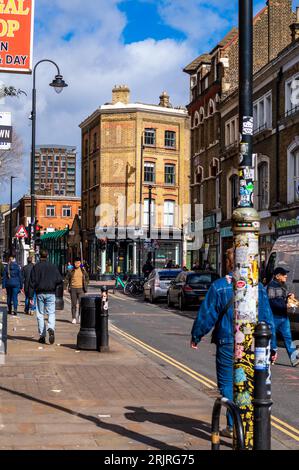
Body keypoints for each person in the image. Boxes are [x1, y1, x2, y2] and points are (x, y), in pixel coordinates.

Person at [190, 248, 277, 438]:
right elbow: (267, 318)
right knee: (252, 383)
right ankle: (249, 425)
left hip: (227, 342)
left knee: (228, 384)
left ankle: (233, 426)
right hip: (255, 343)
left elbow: (207, 314)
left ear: (229, 264)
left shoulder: (219, 286)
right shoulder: (257, 287)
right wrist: (273, 346)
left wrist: (196, 335)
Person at [29, 249, 63, 345]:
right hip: (51, 293)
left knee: (40, 314)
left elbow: (32, 282)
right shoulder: (53, 266)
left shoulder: (36, 267)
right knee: (51, 313)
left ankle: (42, 336)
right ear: (47, 256)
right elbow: (59, 280)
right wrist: (54, 286)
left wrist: (31, 296)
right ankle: (51, 328)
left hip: (40, 293)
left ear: (39, 256)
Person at [267, 267, 299, 367]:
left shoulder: (283, 285)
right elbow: (271, 301)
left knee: (288, 338)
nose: (286, 275)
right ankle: (270, 357)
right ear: (278, 276)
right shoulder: (271, 286)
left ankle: (294, 360)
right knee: (272, 339)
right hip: (274, 317)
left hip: (284, 317)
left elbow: (283, 298)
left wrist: (289, 296)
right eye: (283, 274)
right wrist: (285, 305)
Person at [65, 257, 89, 324]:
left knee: (82, 304)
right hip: (73, 289)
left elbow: (87, 278)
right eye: (75, 263)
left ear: (80, 263)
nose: (77, 264)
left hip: (81, 289)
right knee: (73, 304)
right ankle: (73, 318)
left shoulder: (83, 271)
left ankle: (80, 316)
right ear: (74, 263)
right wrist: (65, 288)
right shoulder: (71, 270)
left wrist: (86, 284)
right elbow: (66, 279)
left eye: (78, 263)